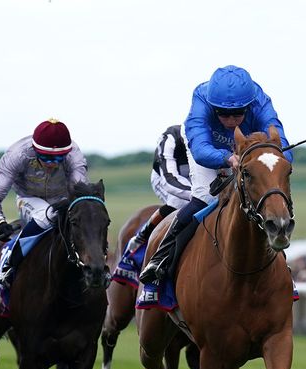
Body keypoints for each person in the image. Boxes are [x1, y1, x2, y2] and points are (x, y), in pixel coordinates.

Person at [138, 65, 292, 285]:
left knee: (265, 199)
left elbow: (282, 147)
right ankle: (161, 258)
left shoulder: (261, 102)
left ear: (249, 106)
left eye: (238, 113)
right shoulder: (200, 100)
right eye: (222, 113)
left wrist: (272, 160)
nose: (231, 120)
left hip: (245, 146)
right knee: (205, 198)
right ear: (212, 107)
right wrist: (227, 158)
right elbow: (200, 149)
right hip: (206, 146)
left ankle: (282, 269)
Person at [0, 118, 88, 287]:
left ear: (66, 153)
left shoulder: (74, 155)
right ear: (34, 150)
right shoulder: (17, 155)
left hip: (62, 199)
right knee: (47, 216)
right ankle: (10, 264)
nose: (52, 164)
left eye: (59, 158)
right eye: (46, 157)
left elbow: (80, 188)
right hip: (29, 198)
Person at [121, 125, 193, 261]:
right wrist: (196, 195)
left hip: (194, 178)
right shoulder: (171, 137)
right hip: (164, 177)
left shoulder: (212, 134)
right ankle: (142, 236)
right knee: (180, 202)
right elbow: (169, 178)